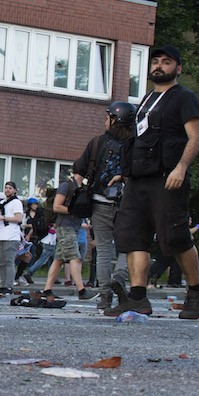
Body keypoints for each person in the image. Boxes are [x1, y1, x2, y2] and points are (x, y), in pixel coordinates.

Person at [106, 45, 199, 319]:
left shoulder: (184, 98)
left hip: (167, 178)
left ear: (178, 68)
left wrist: (181, 168)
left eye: (166, 62)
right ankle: (137, 298)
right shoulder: (147, 99)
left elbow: (196, 137)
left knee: (175, 237)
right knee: (131, 237)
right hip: (138, 180)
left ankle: (196, 293)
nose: (159, 66)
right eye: (155, 61)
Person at [72, 101, 134, 309]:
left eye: (107, 117)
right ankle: (120, 276)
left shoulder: (97, 142)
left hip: (99, 203)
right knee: (129, 247)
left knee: (104, 249)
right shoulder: (135, 144)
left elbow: (78, 170)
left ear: (114, 119)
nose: (104, 120)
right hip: (129, 205)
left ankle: (105, 295)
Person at [34, 176, 92, 303]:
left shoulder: (80, 187)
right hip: (65, 226)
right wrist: (75, 211)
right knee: (74, 257)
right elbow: (57, 207)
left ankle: (47, 290)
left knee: (58, 259)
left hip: (73, 227)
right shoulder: (67, 185)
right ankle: (81, 290)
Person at [0, 181, 25, 294]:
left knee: (9, 261)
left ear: (15, 190)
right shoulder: (2, 202)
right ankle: (3, 285)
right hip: (1, 235)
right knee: (1, 261)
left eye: (10, 188)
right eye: (6, 188)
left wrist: (3, 217)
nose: (7, 190)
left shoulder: (16, 202)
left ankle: (9, 286)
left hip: (12, 236)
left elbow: (18, 219)